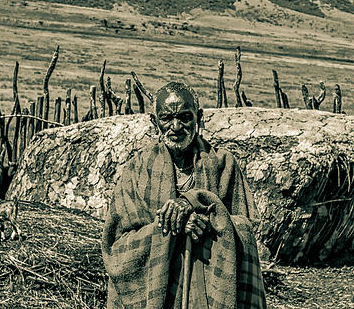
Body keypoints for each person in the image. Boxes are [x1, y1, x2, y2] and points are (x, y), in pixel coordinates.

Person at [102, 82, 266, 308]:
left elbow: (246, 229)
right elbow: (117, 247)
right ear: (154, 122)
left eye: (185, 117)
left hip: (211, 288)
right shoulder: (137, 170)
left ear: (199, 117)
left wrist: (209, 222)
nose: (176, 126)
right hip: (159, 289)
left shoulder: (223, 165)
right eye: (167, 118)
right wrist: (170, 227)